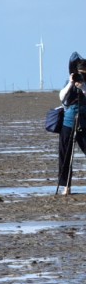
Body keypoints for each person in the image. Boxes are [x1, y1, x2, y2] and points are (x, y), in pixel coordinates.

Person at [57, 53, 86, 192]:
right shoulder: (69, 81)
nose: (80, 75)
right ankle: (65, 185)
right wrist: (70, 83)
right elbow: (62, 98)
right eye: (79, 73)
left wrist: (83, 87)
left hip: (84, 123)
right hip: (68, 122)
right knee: (65, 155)